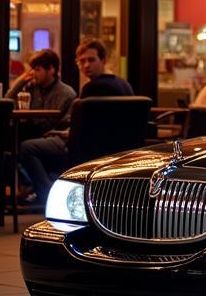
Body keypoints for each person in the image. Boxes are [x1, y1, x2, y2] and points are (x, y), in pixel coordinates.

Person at [18, 39, 133, 204]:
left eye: (91, 60)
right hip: (119, 150)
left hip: (89, 149)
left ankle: (49, 198)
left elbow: (81, 129)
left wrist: (63, 134)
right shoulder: (124, 84)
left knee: (28, 147)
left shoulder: (91, 88)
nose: (86, 65)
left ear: (103, 60)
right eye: (82, 61)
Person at [6, 49, 77, 134]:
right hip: (30, 134)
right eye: (32, 70)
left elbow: (63, 127)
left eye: (37, 69)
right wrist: (21, 81)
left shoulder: (66, 93)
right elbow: (7, 103)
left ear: (51, 69)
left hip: (51, 137)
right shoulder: (30, 88)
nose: (32, 73)